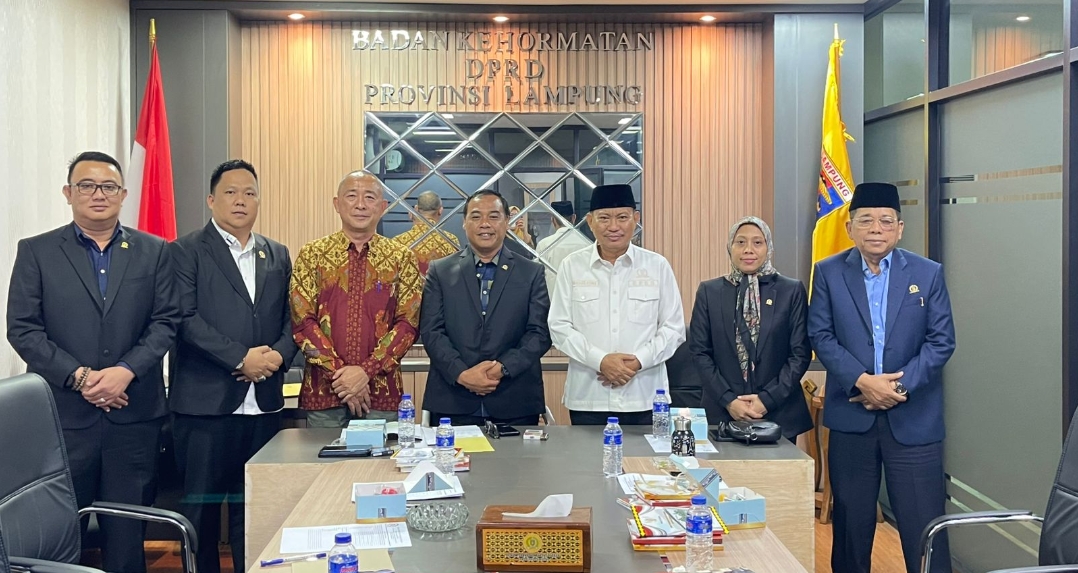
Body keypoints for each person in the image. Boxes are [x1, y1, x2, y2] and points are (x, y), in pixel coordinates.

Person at [6, 151, 178, 573]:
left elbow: (166, 322)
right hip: (63, 420)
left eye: (108, 186)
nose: (98, 194)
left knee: (128, 536)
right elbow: (23, 329)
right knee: (59, 538)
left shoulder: (155, 251)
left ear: (123, 194)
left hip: (133, 416)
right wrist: (80, 377)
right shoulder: (37, 251)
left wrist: (124, 372)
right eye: (86, 185)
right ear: (68, 193)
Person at [808, 182, 956, 573]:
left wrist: (896, 388)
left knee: (925, 530)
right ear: (849, 227)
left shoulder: (927, 274)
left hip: (914, 419)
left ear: (900, 228)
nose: (876, 228)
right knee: (851, 528)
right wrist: (862, 381)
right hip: (852, 420)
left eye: (886, 221)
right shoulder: (828, 272)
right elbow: (820, 335)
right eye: (866, 220)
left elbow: (941, 341)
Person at [169, 159, 297, 573]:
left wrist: (277, 356)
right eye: (231, 192)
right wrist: (241, 358)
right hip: (205, 405)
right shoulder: (184, 251)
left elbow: (292, 319)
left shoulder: (276, 253)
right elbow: (184, 318)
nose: (241, 200)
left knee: (257, 507)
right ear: (211, 200)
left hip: (263, 405)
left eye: (249, 193)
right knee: (202, 510)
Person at [291, 170, 422, 427]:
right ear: (337, 204)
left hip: (381, 394)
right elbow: (301, 321)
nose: (360, 204)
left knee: (381, 455)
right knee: (324, 455)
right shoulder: (312, 254)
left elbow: (409, 324)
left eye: (370, 197)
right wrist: (343, 377)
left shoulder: (402, 257)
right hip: (324, 393)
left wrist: (366, 371)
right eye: (352, 196)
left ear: (382, 207)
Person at [548, 184, 685, 425]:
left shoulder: (657, 266)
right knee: (586, 452)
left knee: (647, 453)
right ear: (590, 221)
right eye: (604, 218)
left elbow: (674, 329)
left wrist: (638, 361)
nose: (613, 226)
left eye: (622, 217)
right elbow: (559, 326)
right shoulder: (572, 266)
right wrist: (601, 361)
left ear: (636, 219)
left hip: (645, 396)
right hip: (589, 398)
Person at [420, 189, 552, 425]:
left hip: (514, 400)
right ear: (464, 222)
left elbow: (539, 333)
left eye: (493, 216)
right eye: (476, 216)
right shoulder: (440, 271)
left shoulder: (531, 272)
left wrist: (502, 368)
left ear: (507, 222)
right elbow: (431, 331)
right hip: (453, 401)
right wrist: (462, 373)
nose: (485, 224)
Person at [689, 216, 812, 441]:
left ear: (769, 247)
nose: (748, 250)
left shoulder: (791, 291)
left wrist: (767, 400)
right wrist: (729, 401)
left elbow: (800, 354)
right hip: (722, 414)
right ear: (730, 247)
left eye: (757, 242)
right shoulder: (709, 291)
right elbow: (700, 352)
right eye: (740, 242)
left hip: (779, 413)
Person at [393, 190, 460, 275]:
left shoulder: (397, 241)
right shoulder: (450, 241)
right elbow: (456, 275)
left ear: (416, 209)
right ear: (440, 210)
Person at [535, 200, 592, 295]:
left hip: (552, 298)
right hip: (582, 297)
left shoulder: (544, 244)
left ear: (553, 220)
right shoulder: (587, 243)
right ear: (573, 218)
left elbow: (538, 277)